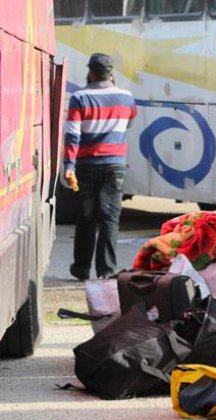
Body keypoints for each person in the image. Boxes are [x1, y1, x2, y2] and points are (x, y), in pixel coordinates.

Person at [65, 53, 137, 281]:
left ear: (91, 72)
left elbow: (72, 134)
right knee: (110, 218)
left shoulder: (79, 97)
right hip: (115, 166)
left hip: (86, 166)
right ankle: (106, 270)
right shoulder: (126, 96)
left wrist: (69, 165)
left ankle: (81, 268)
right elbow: (129, 120)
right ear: (111, 74)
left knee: (86, 218)